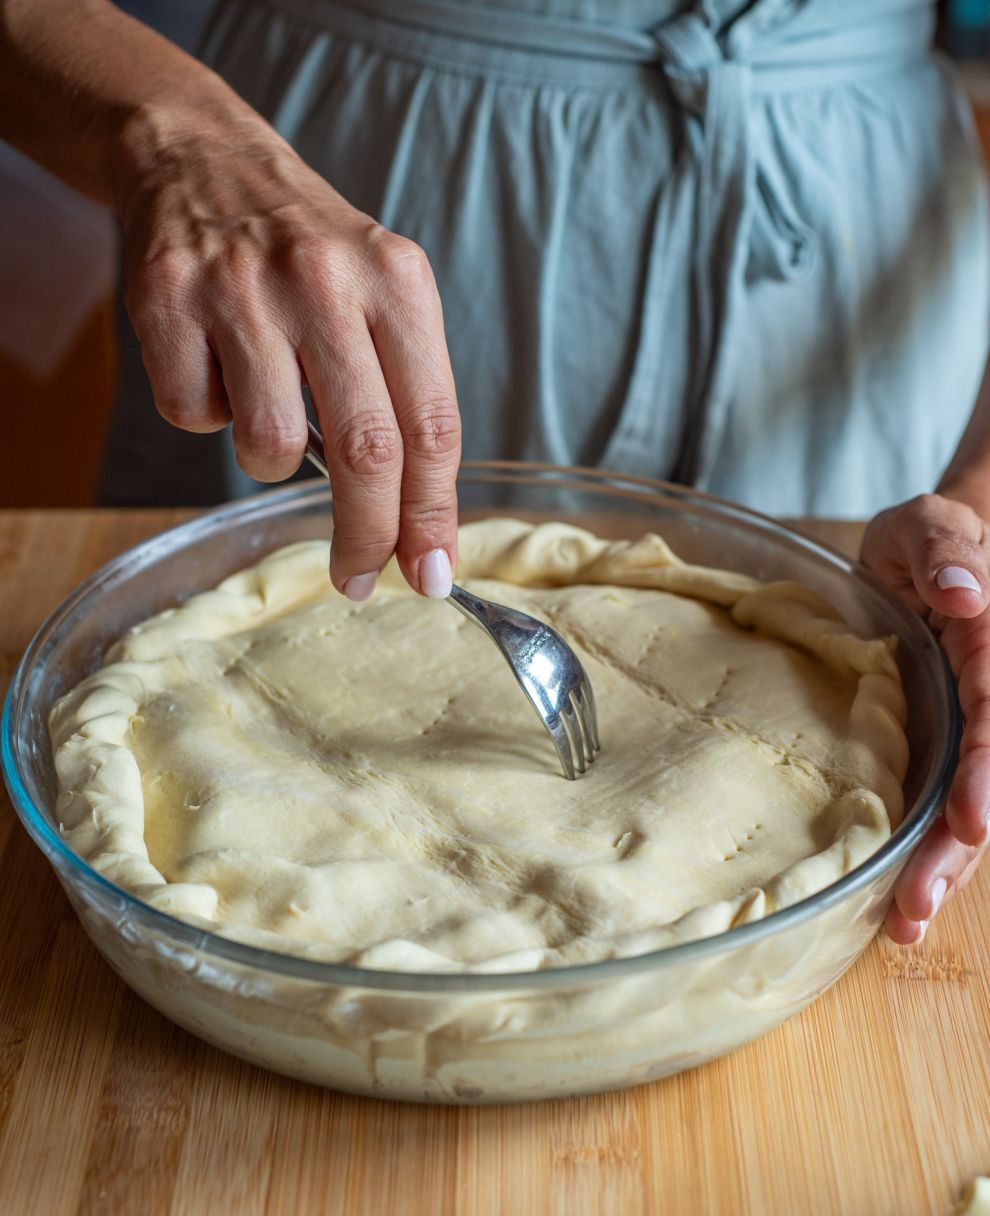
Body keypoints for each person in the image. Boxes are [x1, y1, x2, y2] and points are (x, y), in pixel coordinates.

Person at [3, 0, 989, 947]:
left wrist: (977, 531)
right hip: (344, 193)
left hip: (859, 233)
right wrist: (176, 139)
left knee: (881, 646)